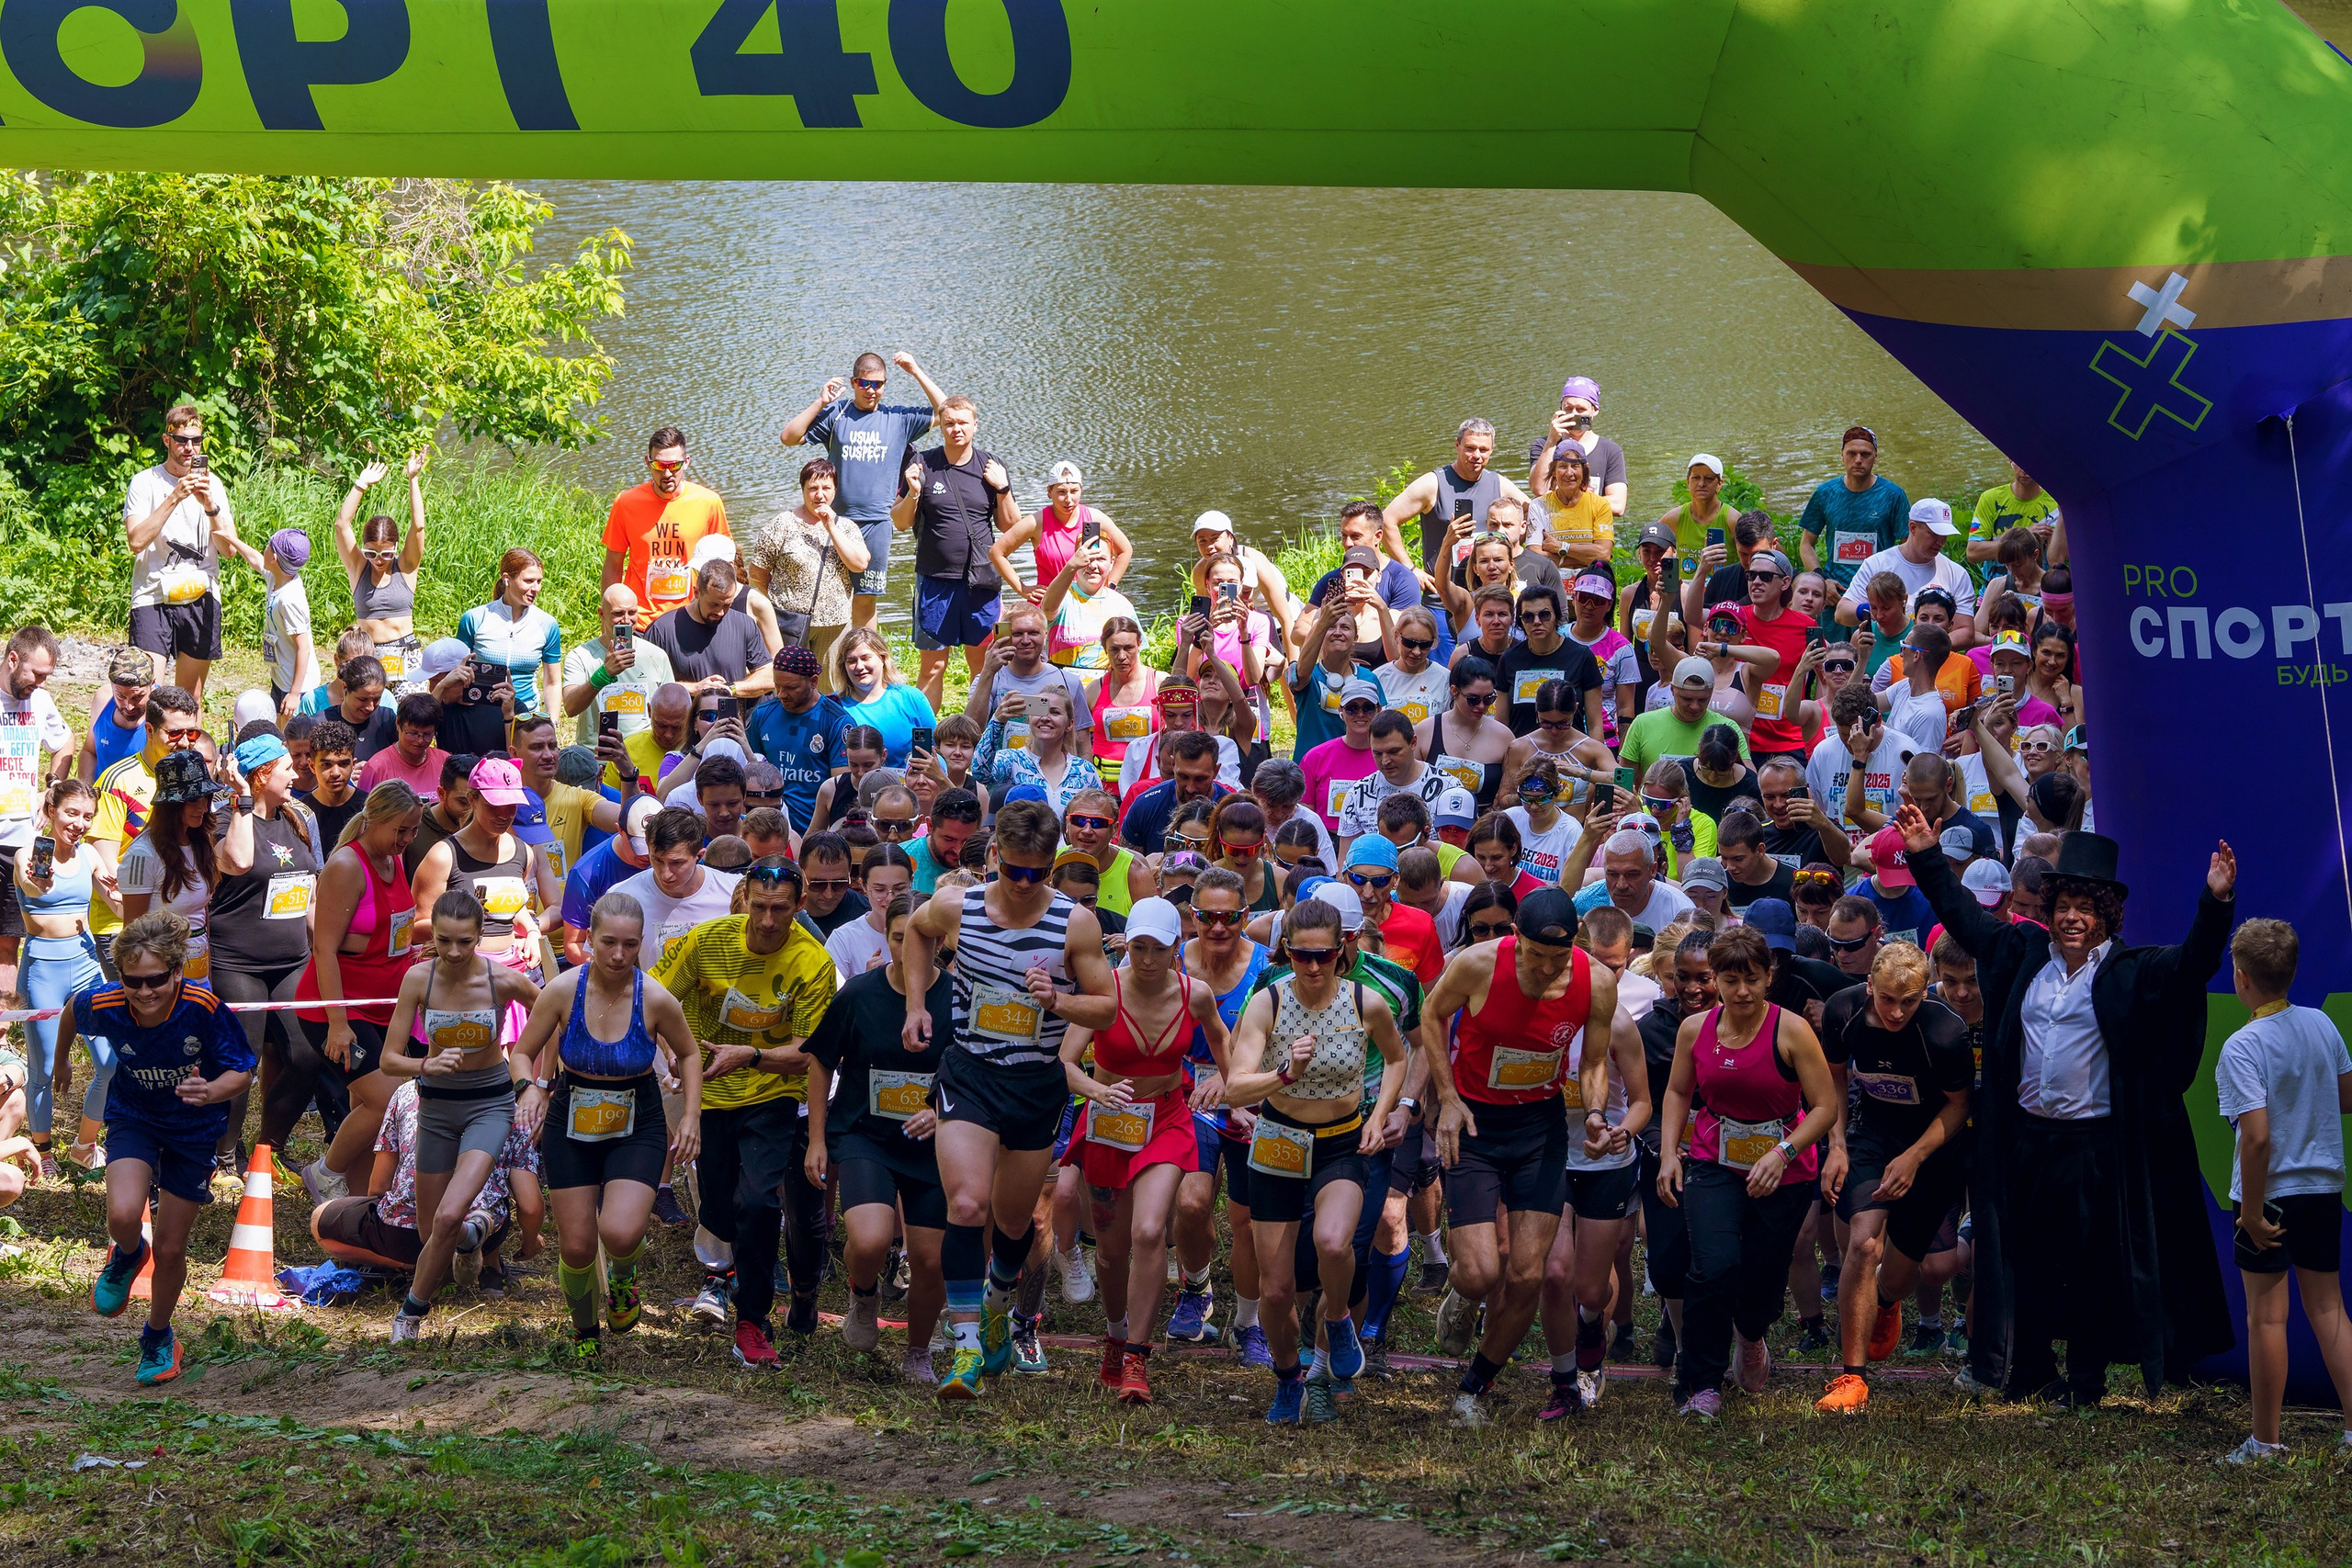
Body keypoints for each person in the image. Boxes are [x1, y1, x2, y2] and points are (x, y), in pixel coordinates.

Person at [1898, 807, 2236, 1404]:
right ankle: (2028, 1370)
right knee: (2025, 1258)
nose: (2073, 918)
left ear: (2106, 914)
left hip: (2094, 1148)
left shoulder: (2131, 971)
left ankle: (2085, 1381)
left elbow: (2193, 966)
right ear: (2048, 910)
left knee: (2089, 1269)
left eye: (2087, 907)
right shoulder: (2021, 953)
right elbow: (1962, 918)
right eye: (2063, 906)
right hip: (2026, 1139)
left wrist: (2215, 904)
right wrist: (1926, 855)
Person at [899, 798, 1120, 1398]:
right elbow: (916, 935)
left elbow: (1106, 1004)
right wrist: (918, 1005)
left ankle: (999, 1297)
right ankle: (967, 1349)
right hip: (970, 1073)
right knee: (968, 1205)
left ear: (1052, 864)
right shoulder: (958, 905)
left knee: (1015, 1221)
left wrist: (1059, 1002)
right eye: (1012, 871)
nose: (1023, 885)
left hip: (1035, 1082)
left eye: (1036, 873)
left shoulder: (1074, 923)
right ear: (995, 857)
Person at [1417, 888, 1622, 1423]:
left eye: (1557, 957)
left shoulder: (1596, 982)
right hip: (1476, 1125)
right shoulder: (1478, 964)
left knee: (1529, 1275)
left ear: (1575, 942)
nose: (1546, 967)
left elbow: (1595, 1063)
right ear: (1516, 938)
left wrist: (1596, 1114)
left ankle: (1472, 1390)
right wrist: (1449, 1099)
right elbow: (1431, 1013)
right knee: (1481, 1270)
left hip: (1540, 1129)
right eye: (1535, 954)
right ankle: (1462, 1295)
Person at [1222, 897, 1409, 1422]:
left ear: (1342, 950)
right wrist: (1283, 1074)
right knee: (1276, 1292)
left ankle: (1340, 1321)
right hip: (1280, 1140)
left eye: (1322, 955)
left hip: (1341, 1141)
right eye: (1301, 955)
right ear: (1285, 952)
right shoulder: (1268, 1002)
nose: (1311, 966)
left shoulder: (1367, 1003)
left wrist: (1381, 1114)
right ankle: (1288, 1379)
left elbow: (1398, 1057)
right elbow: (1236, 1088)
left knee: (1333, 1242)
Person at [1653, 924, 1839, 1416]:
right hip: (1715, 1160)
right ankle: (1701, 1384)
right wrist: (1671, 1152)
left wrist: (1781, 1153)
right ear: (1715, 979)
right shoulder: (1695, 1029)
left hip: (1785, 1168)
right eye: (1730, 980)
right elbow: (1676, 1093)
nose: (1741, 992)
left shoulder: (1792, 1030)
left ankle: (1753, 1336)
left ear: (1768, 978)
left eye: (1752, 980)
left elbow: (1824, 1107)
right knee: (1712, 1268)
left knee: (1760, 1278)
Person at [655, 855, 836, 1359]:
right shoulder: (707, 941)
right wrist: (676, 1054)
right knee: (720, 1210)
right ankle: (732, 1268)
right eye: (759, 907)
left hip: (771, 1094)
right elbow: (654, 997)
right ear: (746, 900)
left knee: (758, 1202)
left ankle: (752, 1320)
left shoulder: (812, 961)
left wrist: (751, 1055)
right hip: (706, 1091)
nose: (768, 921)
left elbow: (806, 1055)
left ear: (800, 906)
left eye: (781, 910)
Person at [513, 890, 702, 1356]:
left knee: (620, 1232)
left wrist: (692, 1116)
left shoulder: (655, 997)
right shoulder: (562, 991)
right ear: (589, 940)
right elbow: (521, 1051)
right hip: (570, 1118)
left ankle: (623, 1278)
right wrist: (530, 1088)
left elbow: (690, 1052)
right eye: (609, 943)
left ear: (642, 944)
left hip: (637, 1119)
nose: (619, 955)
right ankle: (584, 1333)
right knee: (576, 1247)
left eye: (631, 945)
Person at [70, 911, 254, 1383]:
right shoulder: (107, 1002)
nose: (145, 991)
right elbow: (74, 1008)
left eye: (156, 980)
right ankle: (129, 1254)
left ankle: (158, 1336)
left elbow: (243, 1071)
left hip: (192, 1129)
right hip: (135, 1117)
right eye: (134, 981)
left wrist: (210, 1092)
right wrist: (57, 1067)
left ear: (177, 971)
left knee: (172, 1248)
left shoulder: (203, 1008)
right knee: (123, 1215)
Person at [1057, 897, 1228, 1404]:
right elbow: (1065, 1062)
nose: (1147, 958)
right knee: (1110, 1252)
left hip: (1168, 1119)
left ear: (1178, 948)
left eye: (1158, 948)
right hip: (1109, 1120)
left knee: (1151, 1230)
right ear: (1124, 946)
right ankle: (1114, 1334)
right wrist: (1095, 1091)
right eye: (1137, 947)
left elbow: (1225, 1044)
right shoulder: (1103, 990)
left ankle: (1137, 1356)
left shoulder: (1194, 994)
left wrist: (1223, 1076)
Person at [1810, 942, 1973, 1414]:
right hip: (1870, 1136)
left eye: (1909, 1001)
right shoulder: (1842, 1012)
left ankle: (1882, 1300)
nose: (1897, 1011)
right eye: (1886, 999)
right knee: (1862, 1245)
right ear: (1869, 987)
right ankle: (1852, 1379)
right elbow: (1834, 1079)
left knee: (1902, 1277)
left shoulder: (1945, 1031)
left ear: (1925, 992)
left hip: (1932, 1151)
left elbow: (1959, 1105)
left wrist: (1915, 1158)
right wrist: (1837, 1145)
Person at [2212, 919, 2352, 1461]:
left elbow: (2257, 1138)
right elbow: (2346, 1096)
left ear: (2241, 978)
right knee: (2329, 1310)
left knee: (2267, 1318)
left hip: (2267, 1197)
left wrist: (2249, 1212)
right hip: (2322, 1190)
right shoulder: (2321, 1025)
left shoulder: (2242, 1046)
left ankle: (2265, 1443)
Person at [375, 890, 541, 1340]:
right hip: (435, 1107)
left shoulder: (502, 979)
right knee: (433, 1230)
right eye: (444, 940)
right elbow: (390, 1059)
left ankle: (410, 1313)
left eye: (463, 942)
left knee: (447, 1215)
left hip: (490, 1104)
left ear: (480, 935)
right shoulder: (418, 979)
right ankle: (473, 1236)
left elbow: (552, 1013)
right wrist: (424, 1064)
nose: (452, 951)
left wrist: (535, 1081)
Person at [806, 890, 954, 1382]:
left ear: (939, 941)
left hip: (932, 1146)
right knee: (868, 1241)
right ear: (886, 937)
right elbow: (821, 1061)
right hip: (863, 1134)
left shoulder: (956, 997)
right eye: (898, 937)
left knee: (931, 1260)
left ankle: (917, 1351)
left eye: (923, 939)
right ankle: (863, 1295)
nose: (910, 947)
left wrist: (941, 1112)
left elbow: (971, 1071)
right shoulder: (858, 994)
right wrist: (818, 1139)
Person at [293, 782, 424, 1199]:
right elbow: (324, 948)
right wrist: (337, 1021)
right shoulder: (347, 867)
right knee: (388, 1098)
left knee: (367, 1106)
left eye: (413, 831)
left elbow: (395, 931)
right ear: (374, 820)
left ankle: (360, 1199)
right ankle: (325, 1171)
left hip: (385, 1005)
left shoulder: (394, 860)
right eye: (400, 831)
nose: (406, 840)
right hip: (336, 1008)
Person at [210, 734, 323, 1159]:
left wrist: (324, 952)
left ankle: (267, 1148)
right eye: (286, 768)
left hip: (293, 961)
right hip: (237, 963)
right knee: (242, 1065)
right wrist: (241, 800)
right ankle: (224, 1152)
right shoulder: (225, 820)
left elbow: (308, 894)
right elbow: (237, 862)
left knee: (309, 1056)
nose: (298, 773)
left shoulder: (295, 818)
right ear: (260, 775)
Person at [778, 353, 946, 635]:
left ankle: (866, 662)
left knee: (866, 601)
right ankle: (829, 662)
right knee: (830, 595)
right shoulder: (837, 415)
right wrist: (821, 402)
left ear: (884, 385)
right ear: (854, 382)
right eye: (864, 383)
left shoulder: (899, 419)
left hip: (878, 524)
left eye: (877, 384)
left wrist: (916, 371)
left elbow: (946, 413)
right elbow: (789, 437)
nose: (871, 390)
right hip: (835, 522)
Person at [894, 394, 1019, 710]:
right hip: (935, 581)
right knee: (933, 668)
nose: (956, 429)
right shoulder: (921, 464)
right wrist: (912, 493)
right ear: (942, 427)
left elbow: (1012, 527)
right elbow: (899, 522)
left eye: (963, 423)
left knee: (986, 667)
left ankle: (983, 738)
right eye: (949, 423)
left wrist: (1002, 489)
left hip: (981, 582)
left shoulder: (992, 466)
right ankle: (924, 746)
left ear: (975, 425)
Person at [17, 779, 106, 1170]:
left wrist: (122, 891)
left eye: (87, 816)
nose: (79, 823)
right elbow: (31, 887)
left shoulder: (89, 855)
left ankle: (85, 1144)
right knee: (45, 1068)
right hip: (43, 968)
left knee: (110, 1062)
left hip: (87, 964)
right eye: (71, 813)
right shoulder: (28, 854)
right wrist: (39, 879)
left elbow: (117, 901)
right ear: (51, 810)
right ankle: (44, 1148)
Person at [123, 404, 237, 702]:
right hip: (153, 595)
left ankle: (188, 750)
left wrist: (210, 505)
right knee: (147, 692)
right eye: (182, 440)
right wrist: (176, 496)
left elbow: (228, 550)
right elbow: (136, 541)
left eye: (196, 440)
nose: (189, 448)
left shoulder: (215, 485)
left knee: (190, 698)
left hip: (201, 595)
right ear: (166, 440)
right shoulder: (145, 482)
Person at [0, 626, 77, 1021]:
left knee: (11, 939)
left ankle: (1, 1031)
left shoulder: (41, 701)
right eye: (37, 674)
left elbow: (65, 742)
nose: (41, 683)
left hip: (25, 840)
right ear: (13, 659)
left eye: (48, 676)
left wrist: (55, 784)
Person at [743, 457, 872, 684]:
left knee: (831, 686)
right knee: (790, 684)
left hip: (835, 624)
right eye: (812, 488)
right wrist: (780, 601)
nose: (819, 495)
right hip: (789, 623)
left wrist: (830, 527)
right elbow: (757, 572)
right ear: (802, 489)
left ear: (835, 490)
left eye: (826, 488)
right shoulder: (782, 524)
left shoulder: (846, 527)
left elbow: (859, 564)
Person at [1379, 418, 1532, 600]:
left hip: (1488, 597)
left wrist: (1513, 548)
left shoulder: (1499, 484)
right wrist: (1410, 569)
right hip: (1441, 597)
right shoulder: (1432, 483)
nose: (1477, 455)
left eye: (1483, 450)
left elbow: (1533, 514)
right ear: (1457, 445)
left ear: (1491, 450)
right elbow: (1386, 520)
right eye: (1470, 448)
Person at [603, 425, 729, 629]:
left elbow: (725, 564)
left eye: (675, 465)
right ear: (648, 462)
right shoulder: (626, 503)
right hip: (640, 621)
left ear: (686, 462)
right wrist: (609, 623)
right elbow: (613, 565)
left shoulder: (708, 502)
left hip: (692, 616)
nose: (668, 473)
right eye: (660, 466)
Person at [331, 453, 429, 694]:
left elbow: (418, 526)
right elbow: (342, 524)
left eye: (386, 554)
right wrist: (360, 484)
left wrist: (413, 480)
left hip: (407, 656)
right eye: (371, 553)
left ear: (395, 549)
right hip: (368, 657)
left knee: (411, 720)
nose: (378, 561)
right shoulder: (359, 568)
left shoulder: (405, 566)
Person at [1797, 427, 1910, 629]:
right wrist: (1823, 581)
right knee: (1835, 657)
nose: (1858, 460)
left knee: (1877, 657)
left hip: (1880, 598)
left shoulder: (1893, 495)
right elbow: (1806, 544)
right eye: (1852, 453)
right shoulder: (1825, 493)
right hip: (1835, 596)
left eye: (1865, 454)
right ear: (1842, 456)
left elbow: (1907, 547)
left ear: (1875, 457)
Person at [613, 806, 742, 973]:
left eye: (677, 863)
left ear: (699, 856)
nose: (666, 874)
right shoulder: (622, 898)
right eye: (657, 860)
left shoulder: (734, 892)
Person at [1835, 500, 1976, 645]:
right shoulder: (1877, 564)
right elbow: (1841, 613)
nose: (1941, 542)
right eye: (1934, 534)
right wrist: (1873, 609)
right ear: (1913, 528)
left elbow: (1965, 631)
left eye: (1944, 535)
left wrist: (1925, 648)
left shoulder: (1957, 573)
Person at [642, 556, 772, 707]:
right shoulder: (661, 630)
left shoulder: (744, 624)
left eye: (727, 605)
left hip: (733, 725)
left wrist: (730, 689)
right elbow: (645, 683)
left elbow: (769, 676)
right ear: (696, 593)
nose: (721, 612)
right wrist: (695, 689)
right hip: (685, 726)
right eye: (713, 604)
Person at [561, 585, 675, 748]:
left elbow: (672, 707)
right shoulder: (581, 656)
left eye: (632, 612)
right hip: (598, 757)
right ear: (602, 614)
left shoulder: (656, 655)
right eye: (618, 613)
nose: (627, 620)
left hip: (642, 755)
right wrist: (604, 674)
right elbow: (571, 708)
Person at [458, 548, 562, 717]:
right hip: (481, 710)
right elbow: (458, 669)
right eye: (529, 581)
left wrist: (553, 721)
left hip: (526, 713)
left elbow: (552, 682)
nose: (536, 588)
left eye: (539, 581)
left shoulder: (547, 624)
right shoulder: (475, 618)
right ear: (507, 579)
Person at [974, 685, 1101, 818]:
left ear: (1070, 724)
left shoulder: (1084, 770)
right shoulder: (1012, 760)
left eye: (1055, 712)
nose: (1045, 718)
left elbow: (1099, 814)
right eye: (1039, 711)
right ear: (1029, 719)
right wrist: (997, 721)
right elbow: (979, 772)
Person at [1187, 511, 1302, 656]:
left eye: (1215, 539)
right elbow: (1205, 614)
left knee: (1282, 666)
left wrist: (1293, 664)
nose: (1209, 546)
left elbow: (1285, 618)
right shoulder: (1200, 570)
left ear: (1230, 538)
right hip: (1240, 617)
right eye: (1202, 541)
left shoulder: (1254, 560)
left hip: (1277, 615)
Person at [827, 628, 938, 769]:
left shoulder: (912, 698)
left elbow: (936, 750)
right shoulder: (832, 705)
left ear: (883, 658)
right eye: (851, 661)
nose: (859, 667)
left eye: (866, 658)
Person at [1527, 375, 1629, 521]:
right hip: (1552, 532)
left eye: (1581, 409)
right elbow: (1539, 489)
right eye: (1568, 409)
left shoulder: (1610, 450)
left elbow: (1618, 505)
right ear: (1560, 409)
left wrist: (1573, 499)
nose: (1574, 415)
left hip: (1591, 533)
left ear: (1594, 410)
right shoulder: (1543, 445)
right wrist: (1551, 441)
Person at [1040, 536, 1136, 674]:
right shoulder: (1063, 596)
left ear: (1111, 563)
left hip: (1105, 686)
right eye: (1087, 559)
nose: (1093, 566)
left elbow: (1134, 655)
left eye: (1101, 559)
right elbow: (1048, 610)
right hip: (1062, 685)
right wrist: (1071, 566)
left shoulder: (1122, 605)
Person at [253, 528, 319, 723]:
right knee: (280, 727)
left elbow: (303, 647)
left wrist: (295, 694)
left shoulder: (289, 599)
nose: (263, 549)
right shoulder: (278, 578)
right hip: (283, 677)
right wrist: (232, 538)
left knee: (291, 738)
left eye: (267, 544)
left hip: (297, 685)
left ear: (273, 557)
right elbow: (256, 560)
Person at [77, 649, 153, 784]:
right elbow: (89, 752)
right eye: (120, 696)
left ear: (152, 685)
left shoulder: (164, 710)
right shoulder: (103, 700)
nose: (129, 706)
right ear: (111, 686)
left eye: (137, 697)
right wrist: (88, 794)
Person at [1966, 459, 2059, 567]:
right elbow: (1973, 553)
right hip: (1995, 583)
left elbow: (2057, 560)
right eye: (2020, 462)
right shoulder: (1990, 499)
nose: (2025, 470)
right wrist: (2024, 538)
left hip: (2039, 583)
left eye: (2033, 463)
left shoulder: (2055, 504)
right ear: (2011, 461)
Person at [293, 717, 365, 849]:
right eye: (327, 764)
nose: (336, 772)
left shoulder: (369, 807)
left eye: (343, 764)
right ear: (312, 766)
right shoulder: (301, 812)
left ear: (353, 765)